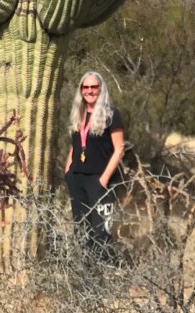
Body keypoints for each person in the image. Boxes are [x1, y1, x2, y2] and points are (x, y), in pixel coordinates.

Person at [63, 71, 124, 260]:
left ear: (101, 88)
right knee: (82, 231)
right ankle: (85, 277)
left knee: (101, 233)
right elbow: (76, 144)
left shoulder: (112, 115)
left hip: (100, 181)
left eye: (94, 87)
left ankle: (104, 279)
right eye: (86, 87)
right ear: (81, 90)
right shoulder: (78, 114)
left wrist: (103, 180)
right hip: (77, 179)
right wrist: (68, 171)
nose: (90, 91)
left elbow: (119, 148)